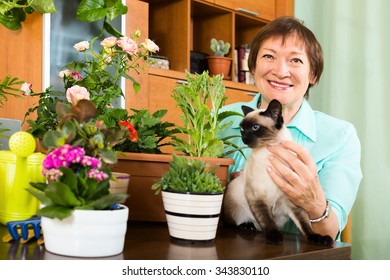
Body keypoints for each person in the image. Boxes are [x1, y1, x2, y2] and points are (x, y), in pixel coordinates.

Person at [219, 16, 362, 240]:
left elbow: (330, 231)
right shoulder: (219, 120)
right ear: (253, 66)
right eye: (268, 56)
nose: (280, 71)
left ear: (313, 74)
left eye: (295, 60)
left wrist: (314, 202)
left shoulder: (340, 136)